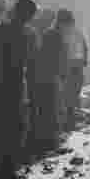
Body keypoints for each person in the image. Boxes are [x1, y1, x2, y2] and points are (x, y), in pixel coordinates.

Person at [0, 0, 39, 179]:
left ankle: (2, 170)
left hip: (1, 84)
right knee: (15, 127)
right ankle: (8, 170)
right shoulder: (28, 33)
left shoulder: (2, 30)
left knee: (4, 127)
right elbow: (31, 60)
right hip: (13, 84)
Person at [29, 10, 65, 151]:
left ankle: (43, 140)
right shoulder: (52, 34)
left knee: (42, 109)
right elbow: (60, 56)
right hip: (47, 76)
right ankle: (48, 141)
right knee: (48, 109)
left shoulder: (37, 32)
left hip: (39, 76)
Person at [55, 9, 88, 130]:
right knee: (74, 92)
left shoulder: (60, 31)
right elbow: (85, 46)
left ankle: (68, 119)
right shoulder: (78, 31)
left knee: (66, 93)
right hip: (77, 64)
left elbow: (61, 49)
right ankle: (70, 118)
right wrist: (84, 60)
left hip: (68, 64)